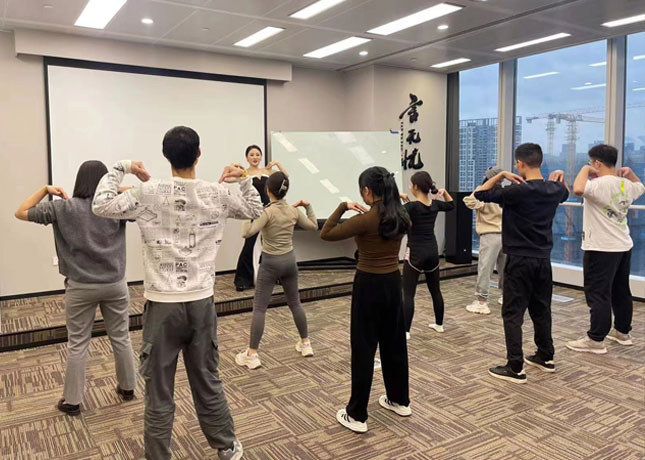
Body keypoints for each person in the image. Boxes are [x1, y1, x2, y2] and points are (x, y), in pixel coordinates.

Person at [92, 126, 262, 460]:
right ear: (198, 154)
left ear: (165, 155)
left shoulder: (146, 192)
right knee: (207, 379)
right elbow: (256, 210)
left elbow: (100, 205)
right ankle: (226, 446)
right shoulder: (217, 193)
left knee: (159, 391)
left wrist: (122, 167)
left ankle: (158, 455)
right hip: (201, 304)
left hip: (161, 307)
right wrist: (243, 178)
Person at [14, 160, 136, 416]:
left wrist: (45, 189)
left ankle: (72, 402)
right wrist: (113, 189)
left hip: (81, 288)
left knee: (78, 344)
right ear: (104, 182)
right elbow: (138, 193)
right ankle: (127, 388)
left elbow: (21, 212)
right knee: (121, 337)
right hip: (114, 285)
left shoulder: (63, 208)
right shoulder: (114, 207)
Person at [320, 166, 411, 433]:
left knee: (363, 348)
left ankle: (357, 414)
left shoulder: (365, 219)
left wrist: (342, 206)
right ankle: (399, 400)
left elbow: (326, 233)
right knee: (394, 343)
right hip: (393, 282)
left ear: (368, 191)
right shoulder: (402, 215)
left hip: (368, 285)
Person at [474, 143, 569, 384]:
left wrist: (501, 176)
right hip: (543, 260)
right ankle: (546, 356)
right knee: (541, 309)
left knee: (512, 313)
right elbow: (566, 193)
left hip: (519, 261)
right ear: (540, 161)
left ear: (520, 164)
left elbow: (480, 193)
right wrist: (561, 177)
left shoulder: (516, 191)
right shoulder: (554, 189)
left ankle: (515, 367)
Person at [235, 172, 318, 369]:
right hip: (289, 261)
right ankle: (306, 343)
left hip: (270, 264)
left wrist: (248, 214)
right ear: (286, 190)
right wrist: (308, 207)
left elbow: (246, 233)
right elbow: (313, 226)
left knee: (259, 308)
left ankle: (252, 354)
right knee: (295, 303)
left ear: (267, 190)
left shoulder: (267, 212)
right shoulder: (293, 211)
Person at [566, 144, 644, 354]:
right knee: (621, 290)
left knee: (598, 293)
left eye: (591, 162)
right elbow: (640, 186)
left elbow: (578, 189)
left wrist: (585, 169)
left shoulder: (598, 184)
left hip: (601, 247)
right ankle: (622, 332)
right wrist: (631, 173)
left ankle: (595, 339)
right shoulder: (625, 184)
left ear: (597, 163)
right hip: (623, 245)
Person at [400, 171, 454, 338]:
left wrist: (399, 196)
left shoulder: (411, 207)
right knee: (435, 290)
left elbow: (391, 211)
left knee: (408, 293)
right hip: (432, 251)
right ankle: (439, 324)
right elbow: (451, 205)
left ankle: (406, 331)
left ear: (416, 187)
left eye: (411, 184)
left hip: (415, 253)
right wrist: (444, 193)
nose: (410, 187)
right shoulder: (435, 205)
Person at [234, 145, 289, 291]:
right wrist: (235, 168)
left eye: (257, 154)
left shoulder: (267, 171)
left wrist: (277, 164)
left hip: (269, 211)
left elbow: (285, 177)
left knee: (271, 245)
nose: (255, 157)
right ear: (247, 157)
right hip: (254, 212)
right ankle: (243, 280)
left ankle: (276, 276)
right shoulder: (244, 173)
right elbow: (230, 180)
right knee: (249, 244)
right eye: (252, 155)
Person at [463, 166, 506, 315]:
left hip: (489, 235)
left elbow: (468, 201)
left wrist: (480, 188)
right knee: (505, 269)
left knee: (485, 269)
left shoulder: (484, 193)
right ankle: (506, 296)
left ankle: (482, 302)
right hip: (506, 235)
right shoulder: (504, 193)